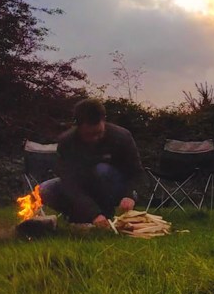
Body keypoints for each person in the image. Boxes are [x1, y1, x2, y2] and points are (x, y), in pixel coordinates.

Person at [39, 98, 144, 229]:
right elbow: (69, 184)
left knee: (102, 170)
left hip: (115, 188)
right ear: (78, 126)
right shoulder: (67, 143)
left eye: (98, 133)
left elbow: (136, 172)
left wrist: (129, 195)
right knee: (45, 189)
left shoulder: (121, 137)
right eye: (89, 134)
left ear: (103, 120)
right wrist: (93, 213)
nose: (95, 138)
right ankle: (80, 217)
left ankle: (107, 216)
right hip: (84, 186)